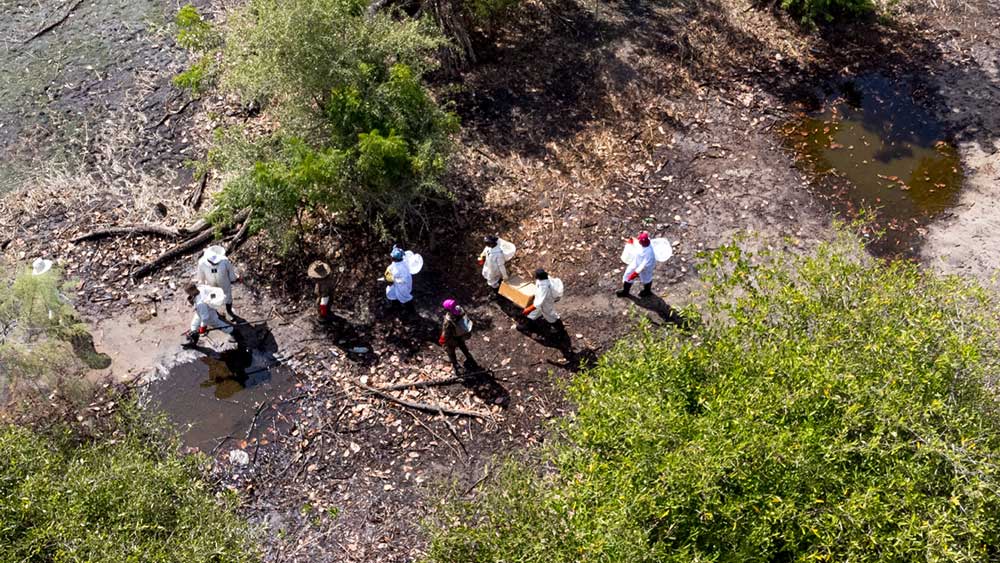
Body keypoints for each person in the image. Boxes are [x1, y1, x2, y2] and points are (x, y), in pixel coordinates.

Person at [183, 282, 232, 347]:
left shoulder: (200, 303)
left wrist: (202, 327)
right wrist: (192, 302)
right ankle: (193, 340)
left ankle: (235, 333)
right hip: (201, 313)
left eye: (188, 292)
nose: (188, 294)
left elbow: (205, 318)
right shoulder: (201, 289)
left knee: (224, 327)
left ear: (193, 290)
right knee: (194, 325)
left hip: (210, 317)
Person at [197, 245, 240, 318]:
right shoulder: (201, 263)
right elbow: (201, 277)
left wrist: (233, 279)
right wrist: (202, 286)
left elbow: (231, 272)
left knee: (227, 296)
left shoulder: (225, 261)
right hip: (211, 286)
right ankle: (216, 313)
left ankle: (229, 312)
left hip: (224, 284)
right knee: (213, 297)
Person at [521, 268, 565, 333]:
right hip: (543, 300)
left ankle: (558, 327)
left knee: (549, 314)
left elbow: (539, 303)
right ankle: (528, 325)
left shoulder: (543, 287)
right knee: (534, 313)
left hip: (545, 302)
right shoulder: (546, 278)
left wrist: (528, 309)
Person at [438, 299, 477, 369]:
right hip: (461, 335)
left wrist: (442, 341)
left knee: (450, 351)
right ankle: (468, 356)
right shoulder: (460, 310)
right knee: (463, 346)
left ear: (447, 310)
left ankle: (455, 364)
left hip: (453, 338)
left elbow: (446, 333)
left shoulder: (448, 320)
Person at [617, 232, 655, 298]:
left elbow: (643, 265)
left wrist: (635, 274)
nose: (639, 241)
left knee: (646, 278)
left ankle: (647, 291)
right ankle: (625, 291)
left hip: (646, 267)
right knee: (627, 275)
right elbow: (637, 242)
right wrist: (632, 241)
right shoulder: (646, 241)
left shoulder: (649, 253)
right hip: (636, 261)